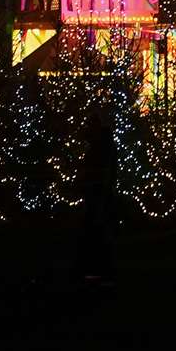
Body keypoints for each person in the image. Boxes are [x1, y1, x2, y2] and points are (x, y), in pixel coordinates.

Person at [75, 108, 119, 283]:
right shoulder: (100, 144)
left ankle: (98, 266)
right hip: (97, 191)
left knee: (96, 227)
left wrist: (91, 179)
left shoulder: (101, 145)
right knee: (96, 228)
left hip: (98, 191)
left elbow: (103, 170)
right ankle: (98, 266)